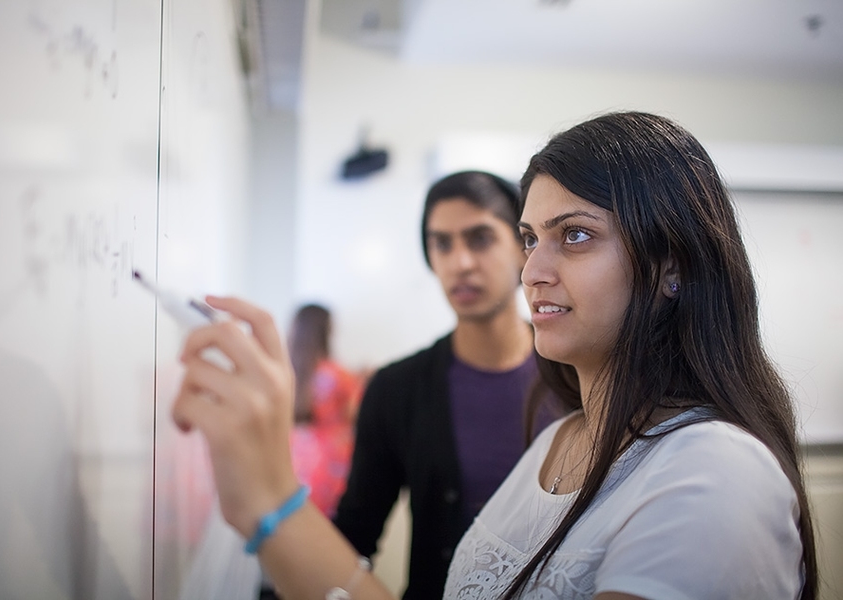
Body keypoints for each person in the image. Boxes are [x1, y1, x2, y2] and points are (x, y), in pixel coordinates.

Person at [170, 111, 817, 600]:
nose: (533, 268)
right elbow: (357, 540)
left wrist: (274, 499)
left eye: (576, 236)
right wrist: (265, 502)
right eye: (533, 238)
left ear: (671, 265)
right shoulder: (558, 439)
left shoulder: (714, 472)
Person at [331, 170, 558, 598]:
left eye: (480, 238)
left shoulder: (575, 376)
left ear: (522, 249)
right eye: (442, 243)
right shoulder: (396, 389)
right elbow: (354, 537)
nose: (460, 263)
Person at [288, 303, 364, 518]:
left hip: (297, 463)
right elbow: (357, 413)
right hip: (332, 468)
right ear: (326, 329)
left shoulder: (289, 373)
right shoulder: (337, 375)